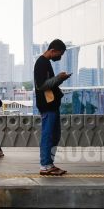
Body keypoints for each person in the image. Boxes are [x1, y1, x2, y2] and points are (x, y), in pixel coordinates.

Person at [34, 39, 71, 176]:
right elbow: (41, 85)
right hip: (47, 105)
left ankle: (50, 163)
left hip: (52, 104)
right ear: (52, 51)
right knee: (48, 135)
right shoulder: (41, 63)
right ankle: (45, 165)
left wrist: (59, 78)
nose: (59, 57)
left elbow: (48, 84)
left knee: (54, 136)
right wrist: (59, 78)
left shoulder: (46, 62)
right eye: (59, 54)